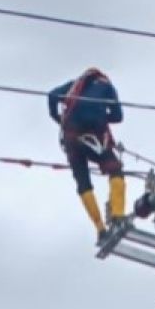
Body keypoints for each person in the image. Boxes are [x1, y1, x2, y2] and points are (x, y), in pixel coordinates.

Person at [48, 68, 127, 242]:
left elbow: (51, 96)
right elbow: (118, 116)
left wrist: (58, 118)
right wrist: (103, 115)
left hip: (70, 139)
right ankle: (118, 215)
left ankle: (100, 229)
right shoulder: (108, 87)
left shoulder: (73, 86)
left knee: (83, 183)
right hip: (93, 136)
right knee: (115, 170)